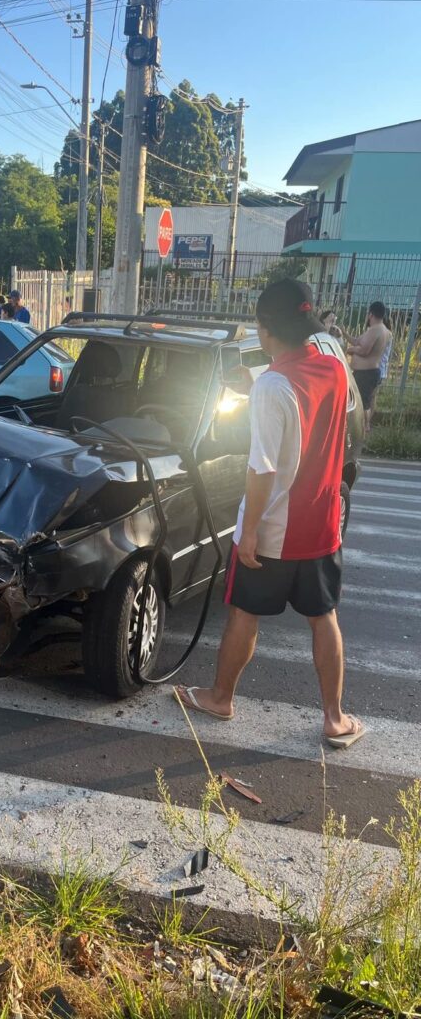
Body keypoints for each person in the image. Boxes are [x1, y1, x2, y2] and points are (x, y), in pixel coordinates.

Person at [174, 278, 363, 749]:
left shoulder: (272, 389)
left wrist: (251, 531)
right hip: (321, 526)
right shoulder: (334, 368)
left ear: (264, 329)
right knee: (325, 617)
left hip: (273, 529)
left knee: (245, 613)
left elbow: (262, 468)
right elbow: (294, 380)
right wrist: (255, 378)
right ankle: (335, 720)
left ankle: (220, 698)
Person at [346, 301, 390, 428]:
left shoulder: (375, 330)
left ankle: (365, 427)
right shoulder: (384, 330)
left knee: (363, 402)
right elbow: (356, 341)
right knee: (363, 400)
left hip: (367, 373)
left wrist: (351, 350)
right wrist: (343, 332)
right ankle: (363, 426)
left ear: (370, 314)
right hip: (367, 372)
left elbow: (365, 351)